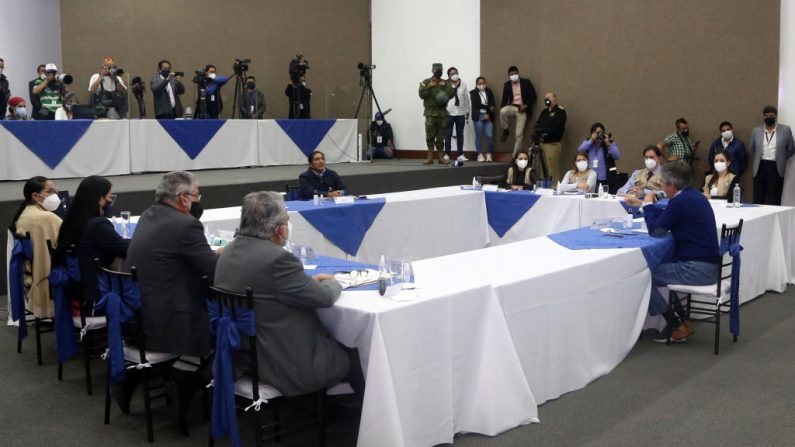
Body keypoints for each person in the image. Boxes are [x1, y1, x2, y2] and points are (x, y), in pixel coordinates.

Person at [213, 191, 364, 398]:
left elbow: (266, 288)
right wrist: (333, 282)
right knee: (356, 349)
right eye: (287, 220)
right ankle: (354, 416)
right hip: (285, 361)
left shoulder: (228, 251)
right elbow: (324, 299)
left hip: (244, 356)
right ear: (278, 229)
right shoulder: (278, 259)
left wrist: (308, 283)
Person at [123, 171, 217, 433]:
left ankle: (137, 377)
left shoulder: (149, 214)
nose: (198, 200)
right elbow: (215, 270)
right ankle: (184, 380)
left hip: (139, 311)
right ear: (184, 198)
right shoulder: (187, 225)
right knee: (223, 327)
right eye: (196, 195)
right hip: (167, 316)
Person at [624, 161, 719, 342]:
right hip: (708, 265)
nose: (662, 189)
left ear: (672, 186)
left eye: (662, 185)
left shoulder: (680, 202)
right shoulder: (693, 196)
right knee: (659, 270)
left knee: (644, 276)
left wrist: (647, 205)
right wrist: (644, 203)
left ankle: (675, 324)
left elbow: (656, 230)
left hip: (697, 269)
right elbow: (669, 215)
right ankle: (684, 321)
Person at [54, 176, 128, 304]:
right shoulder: (97, 225)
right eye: (109, 198)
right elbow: (126, 249)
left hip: (77, 290)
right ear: (100, 199)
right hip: (99, 293)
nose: (110, 203)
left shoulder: (72, 222)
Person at [9, 176, 62, 318]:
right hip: (48, 281)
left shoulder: (25, 213)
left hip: (31, 282)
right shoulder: (46, 218)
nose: (54, 195)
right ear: (35, 196)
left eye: (55, 191)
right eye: (49, 191)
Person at [750, 105, 795, 205]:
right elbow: (752, 149)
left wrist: (782, 158)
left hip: (776, 167)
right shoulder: (756, 131)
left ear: (776, 116)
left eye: (771, 115)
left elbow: (791, 149)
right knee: (758, 198)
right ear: (763, 117)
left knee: (774, 198)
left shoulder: (785, 130)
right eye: (766, 116)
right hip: (760, 167)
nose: (768, 117)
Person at [418, 62, 453, 165]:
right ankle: (430, 157)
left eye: (440, 70)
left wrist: (444, 87)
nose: (439, 72)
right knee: (430, 135)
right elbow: (421, 94)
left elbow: (451, 94)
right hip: (430, 113)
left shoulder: (445, 83)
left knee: (441, 136)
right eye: (437, 70)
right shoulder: (426, 82)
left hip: (442, 113)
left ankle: (441, 158)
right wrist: (429, 86)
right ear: (432, 70)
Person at [499, 66, 537, 154]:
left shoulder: (526, 82)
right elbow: (504, 99)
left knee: (518, 134)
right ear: (508, 75)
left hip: (522, 110)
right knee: (502, 111)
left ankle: (515, 155)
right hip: (512, 107)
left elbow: (533, 96)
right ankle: (505, 130)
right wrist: (503, 107)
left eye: (515, 73)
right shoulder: (507, 84)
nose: (514, 75)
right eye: (511, 74)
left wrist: (526, 105)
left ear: (518, 73)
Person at [534, 92, 567, 184]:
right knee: (541, 166)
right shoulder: (544, 112)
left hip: (552, 143)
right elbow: (538, 124)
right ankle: (542, 186)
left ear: (555, 99)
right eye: (545, 98)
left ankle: (554, 186)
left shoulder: (560, 111)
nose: (547, 99)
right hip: (542, 143)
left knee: (551, 167)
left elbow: (558, 126)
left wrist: (547, 134)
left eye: (549, 97)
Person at [444, 67, 470, 163]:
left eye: (456, 73)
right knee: (447, 134)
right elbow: (441, 98)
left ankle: (460, 154)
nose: (454, 75)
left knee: (460, 134)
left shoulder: (463, 84)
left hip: (461, 112)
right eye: (452, 73)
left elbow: (466, 98)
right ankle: (447, 154)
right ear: (449, 76)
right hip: (448, 113)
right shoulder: (445, 85)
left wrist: (468, 110)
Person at [470, 76, 496, 162]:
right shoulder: (473, 93)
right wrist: (488, 107)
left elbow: (493, 104)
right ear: (476, 84)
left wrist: (487, 113)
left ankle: (489, 154)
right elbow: (477, 104)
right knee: (479, 135)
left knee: (490, 136)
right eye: (479, 84)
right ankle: (479, 155)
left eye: (483, 83)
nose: (482, 85)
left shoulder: (489, 91)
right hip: (478, 116)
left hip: (488, 116)